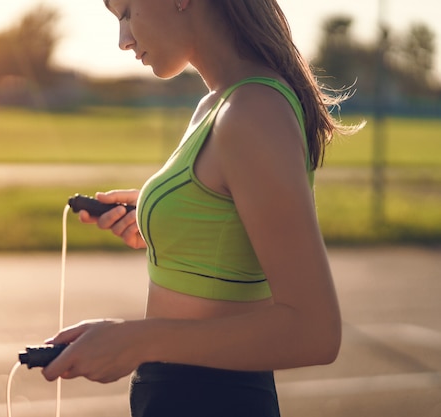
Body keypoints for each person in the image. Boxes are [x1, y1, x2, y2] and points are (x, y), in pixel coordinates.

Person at [42, 0, 363, 416]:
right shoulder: (218, 104)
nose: (123, 40)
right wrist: (165, 218)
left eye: (125, 13)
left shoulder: (253, 110)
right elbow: (229, 224)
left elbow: (315, 331)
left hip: (215, 399)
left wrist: (134, 340)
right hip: (179, 395)